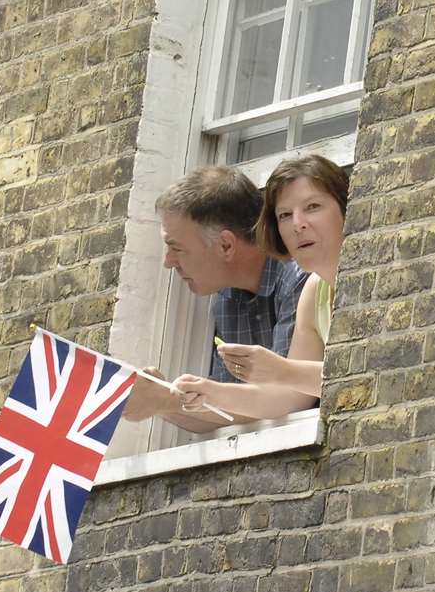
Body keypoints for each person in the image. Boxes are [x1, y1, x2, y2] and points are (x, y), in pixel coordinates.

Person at [122, 166, 308, 431]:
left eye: (176, 247)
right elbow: (229, 411)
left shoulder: (298, 280)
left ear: (226, 245)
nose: (168, 262)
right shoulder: (227, 298)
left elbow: (285, 399)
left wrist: (168, 400)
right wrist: (157, 401)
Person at [173, 155, 348, 420]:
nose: (298, 224)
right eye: (285, 215)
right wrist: (208, 393)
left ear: (347, 209)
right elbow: (290, 398)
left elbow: (364, 373)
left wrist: (281, 371)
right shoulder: (314, 291)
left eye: (312, 206)